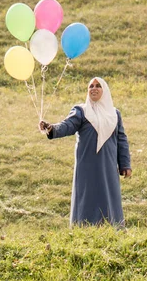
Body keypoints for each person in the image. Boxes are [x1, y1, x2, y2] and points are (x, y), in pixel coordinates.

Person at [39, 77, 132, 227]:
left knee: (108, 195)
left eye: (98, 86)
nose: (94, 88)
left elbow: (121, 140)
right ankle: (83, 227)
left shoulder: (115, 114)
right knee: (87, 195)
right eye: (91, 86)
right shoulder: (81, 111)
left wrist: (125, 165)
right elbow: (67, 125)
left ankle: (112, 227)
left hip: (108, 165)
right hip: (87, 165)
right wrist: (52, 128)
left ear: (105, 90)